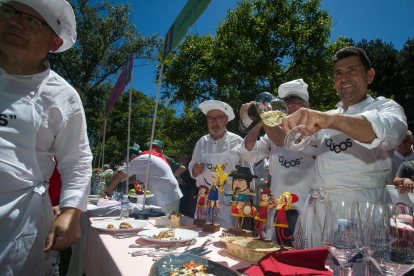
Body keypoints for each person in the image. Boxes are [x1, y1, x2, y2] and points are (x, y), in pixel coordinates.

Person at [251, 47, 407, 249]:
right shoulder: (327, 116)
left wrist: (327, 119)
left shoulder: (386, 108)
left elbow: (390, 133)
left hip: (363, 211)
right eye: (338, 73)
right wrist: (265, 116)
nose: (344, 78)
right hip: (320, 211)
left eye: (352, 70)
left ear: (370, 75)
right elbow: (285, 140)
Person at [0, 0, 93, 274]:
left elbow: (76, 160)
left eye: (31, 20)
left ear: (53, 43)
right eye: (8, 12)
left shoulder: (62, 96)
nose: (15, 21)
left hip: (18, 225)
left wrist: (71, 212)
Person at [237, 79, 316, 245]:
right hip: (275, 209)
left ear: (307, 105)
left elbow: (287, 141)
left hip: (305, 211)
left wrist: (265, 115)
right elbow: (249, 153)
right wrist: (256, 120)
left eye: (295, 100)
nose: (291, 105)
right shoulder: (272, 134)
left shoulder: (315, 129)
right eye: (286, 101)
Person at [189, 100, 254, 229]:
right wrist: (194, 171)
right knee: (202, 233)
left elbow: (248, 173)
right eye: (210, 119)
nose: (214, 123)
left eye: (218, 118)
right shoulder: (201, 142)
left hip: (229, 202)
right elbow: (191, 166)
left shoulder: (237, 141)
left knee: (226, 236)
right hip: (205, 198)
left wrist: (244, 201)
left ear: (226, 119)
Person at [105, 147, 183, 214]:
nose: (128, 164)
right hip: (169, 195)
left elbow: (119, 174)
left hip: (164, 197)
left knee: (164, 225)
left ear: (133, 156)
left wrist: (109, 189)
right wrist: (115, 184)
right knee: (168, 223)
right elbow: (129, 179)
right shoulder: (147, 159)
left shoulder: (141, 159)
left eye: (128, 161)